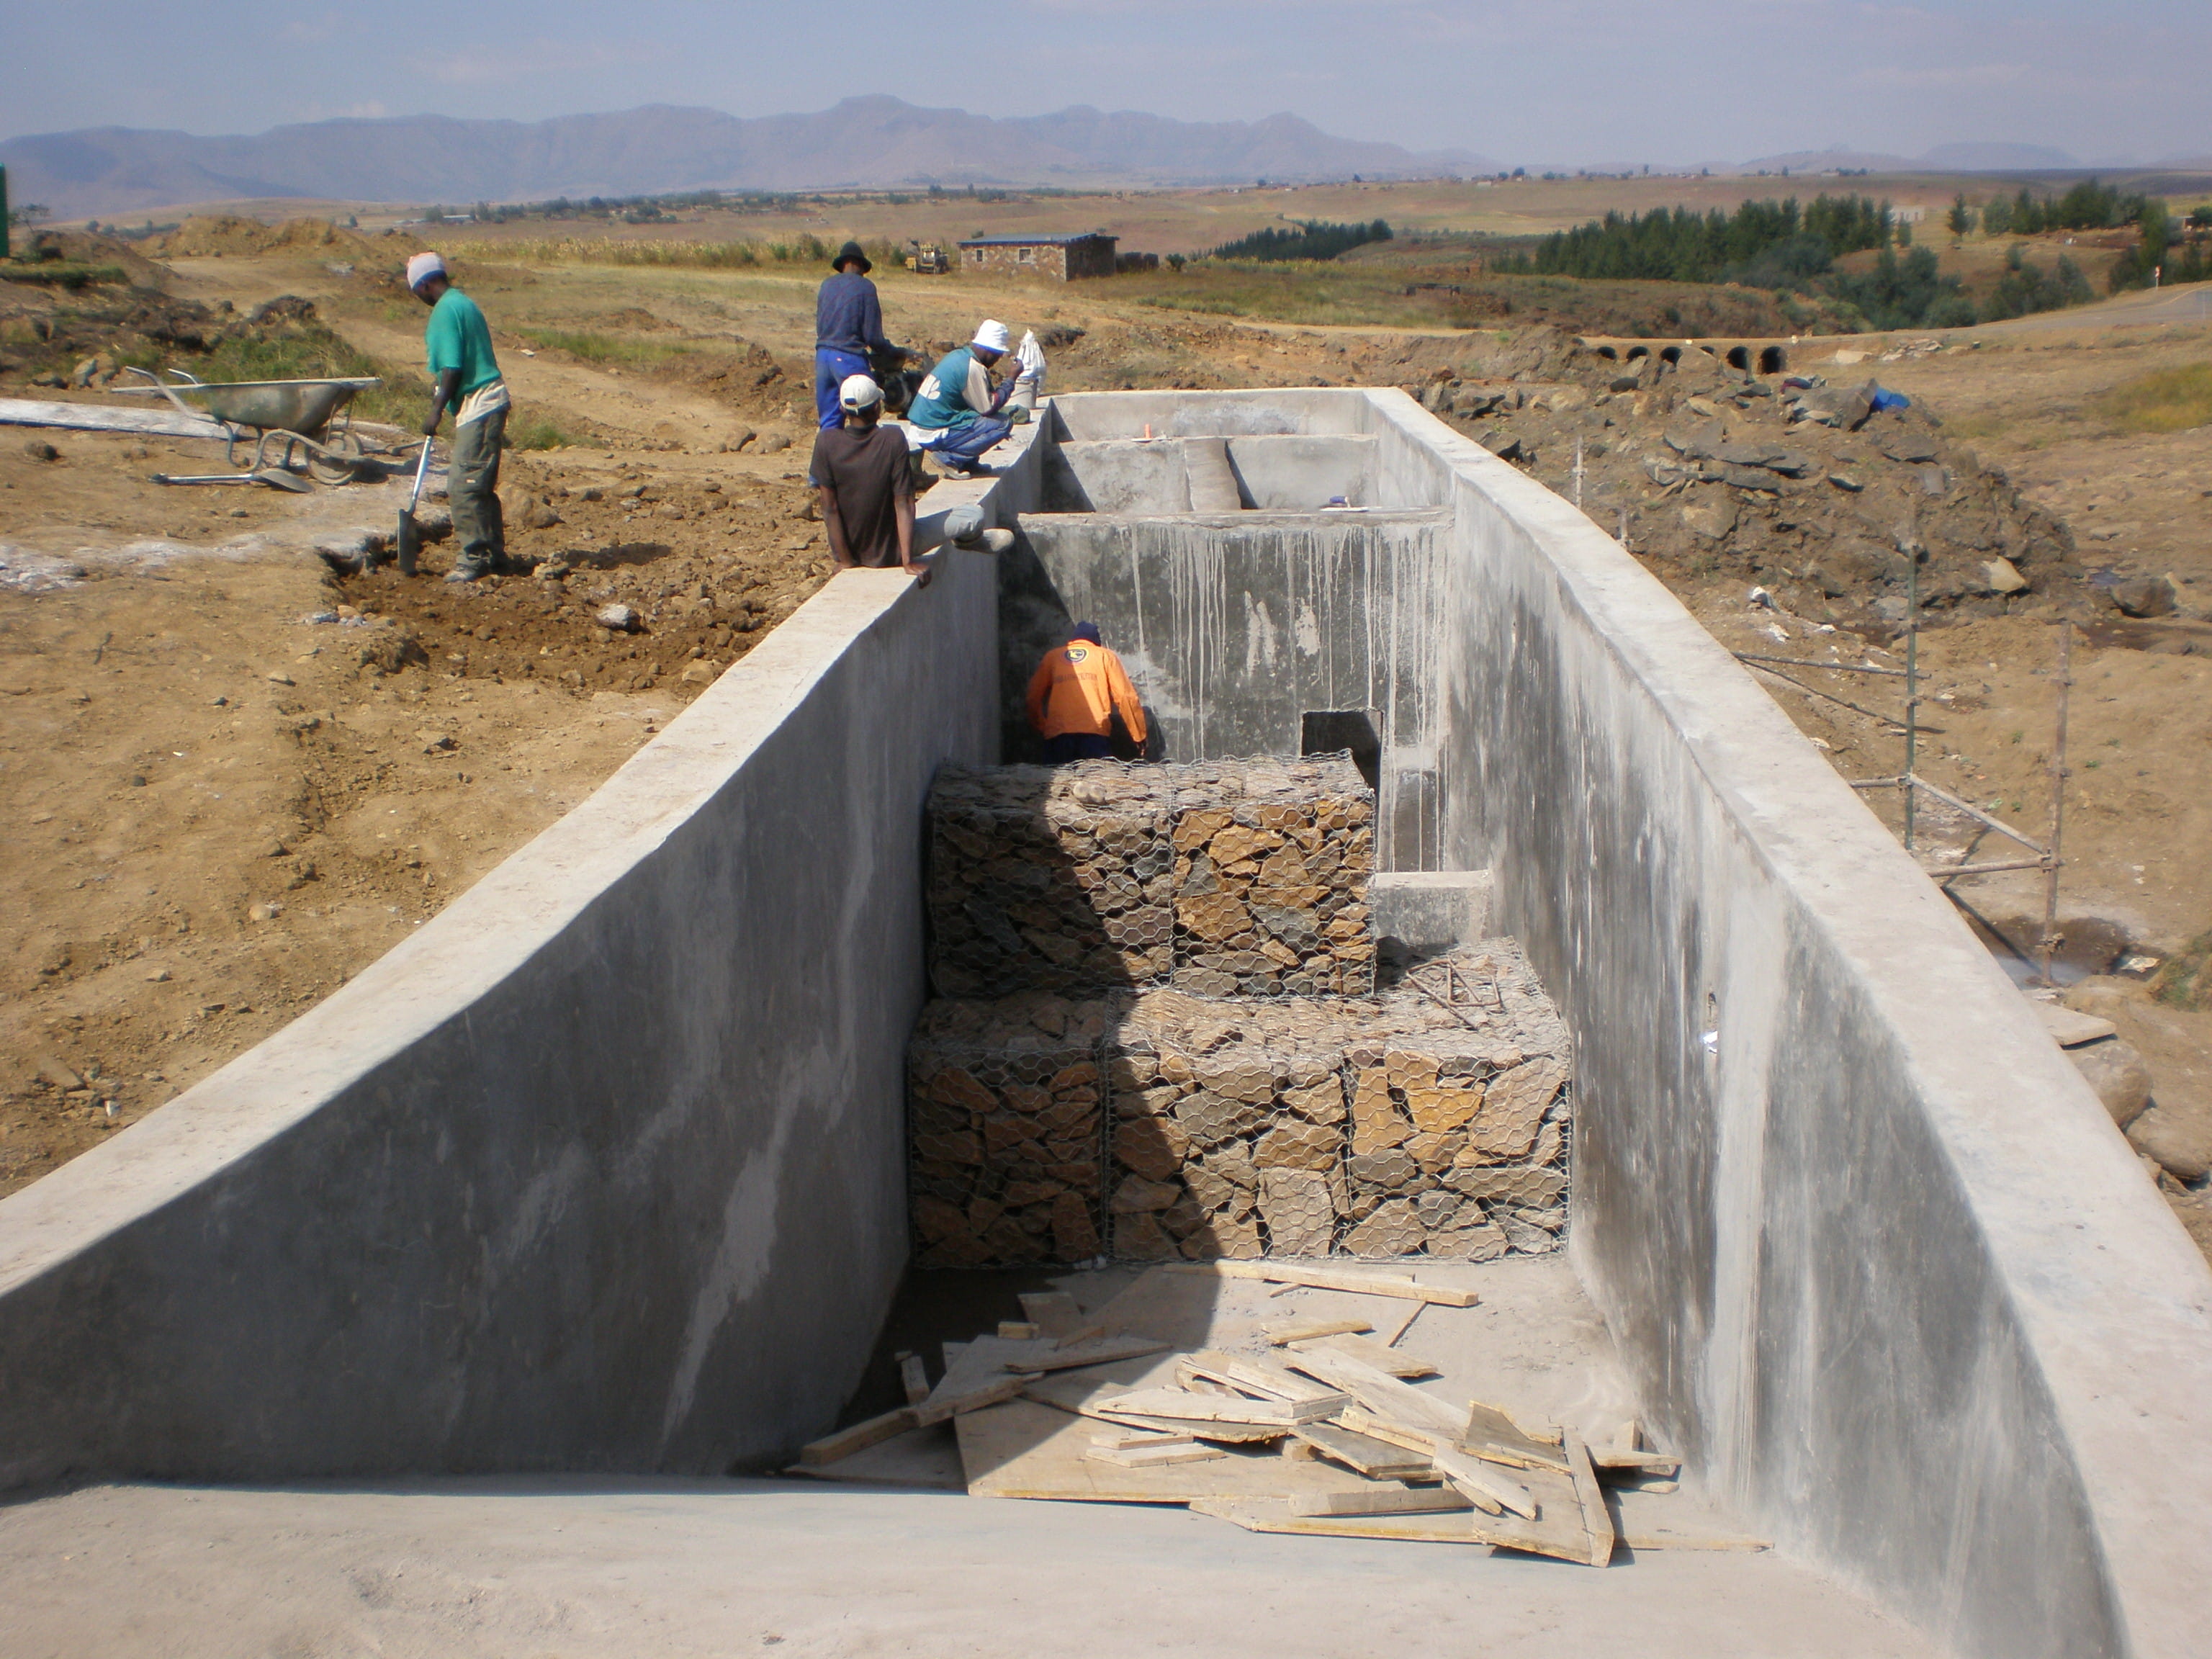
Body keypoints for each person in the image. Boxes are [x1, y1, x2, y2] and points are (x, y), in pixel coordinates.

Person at [408, 251, 510, 583]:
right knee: (479, 485)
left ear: (424, 285)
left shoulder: (445, 310)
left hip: (480, 403)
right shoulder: (462, 302)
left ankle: (474, 557)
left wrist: (436, 410)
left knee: (463, 486)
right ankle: (494, 553)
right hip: (489, 401)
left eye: (416, 292)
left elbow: (451, 365)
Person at [809, 373, 929, 585]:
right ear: (877, 408)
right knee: (969, 518)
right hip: (892, 552)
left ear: (843, 410)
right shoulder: (892, 438)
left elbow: (829, 508)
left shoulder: (826, 443)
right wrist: (907, 561)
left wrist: (846, 560)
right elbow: (904, 502)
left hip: (850, 552)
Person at [907, 320, 1022, 474]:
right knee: (1002, 423)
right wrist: (1011, 379)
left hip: (923, 425)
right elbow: (988, 407)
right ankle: (950, 458)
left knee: (971, 414)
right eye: (998, 356)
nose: (997, 361)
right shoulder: (972, 367)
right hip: (933, 432)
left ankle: (968, 462)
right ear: (992, 352)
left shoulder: (958, 356)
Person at [1026, 623, 1148, 763]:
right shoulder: (1105, 656)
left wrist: (1042, 725)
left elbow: (1033, 696)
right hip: (1094, 734)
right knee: (1095, 781)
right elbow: (1126, 697)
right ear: (1096, 642)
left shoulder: (1052, 657)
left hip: (1058, 735)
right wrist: (1139, 735)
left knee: (1060, 782)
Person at [814, 241, 897, 432]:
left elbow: (820, 325)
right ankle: (863, 458)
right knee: (864, 414)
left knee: (829, 421)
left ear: (842, 265)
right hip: (848, 357)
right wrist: (891, 351)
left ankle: (827, 459)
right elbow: (873, 337)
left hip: (823, 356)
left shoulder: (826, 285)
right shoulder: (866, 287)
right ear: (861, 266)